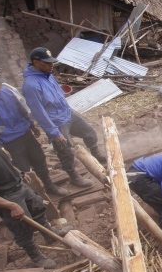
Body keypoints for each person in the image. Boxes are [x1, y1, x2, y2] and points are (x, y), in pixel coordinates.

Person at [0, 118, 72, 269]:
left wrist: (19, 173)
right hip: (6, 197)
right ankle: (35, 256)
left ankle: (50, 235)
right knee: (22, 229)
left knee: (38, 209)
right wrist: (11, 206)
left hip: (19, 186)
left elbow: (6, 162)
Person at [0, 69, 68, 196]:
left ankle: (49, 186)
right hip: (8, 142)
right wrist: (0, 149)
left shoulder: (5, 91)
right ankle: (34, 196)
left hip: (25, 133)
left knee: (39, 160)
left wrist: (31, 124)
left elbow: (20, 109)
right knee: (22, 170)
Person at [22, 47, 105, 188]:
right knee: (65, 149)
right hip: (56, 122)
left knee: (89, 132)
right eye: (47, 63)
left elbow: (55, 91)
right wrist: (54, 133)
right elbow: (38, 113)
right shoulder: (31, 85)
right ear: (36, 62)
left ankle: (96, 153)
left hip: (68, 113)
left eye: (52, 62)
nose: (51, 65)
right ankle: (74, 176)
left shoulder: (47, 74)